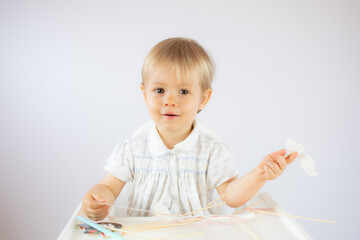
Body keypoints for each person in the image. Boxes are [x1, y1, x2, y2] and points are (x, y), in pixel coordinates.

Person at [81, 37, 298, 221]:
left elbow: (231, 197)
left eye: (183, 92)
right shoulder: (132, 150)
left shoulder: (212, 152)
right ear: (145, 94)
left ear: (203, 99)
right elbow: (108, 187)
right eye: (159, 90)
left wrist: (259, 175)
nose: (170, 100)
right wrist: (98, 198)